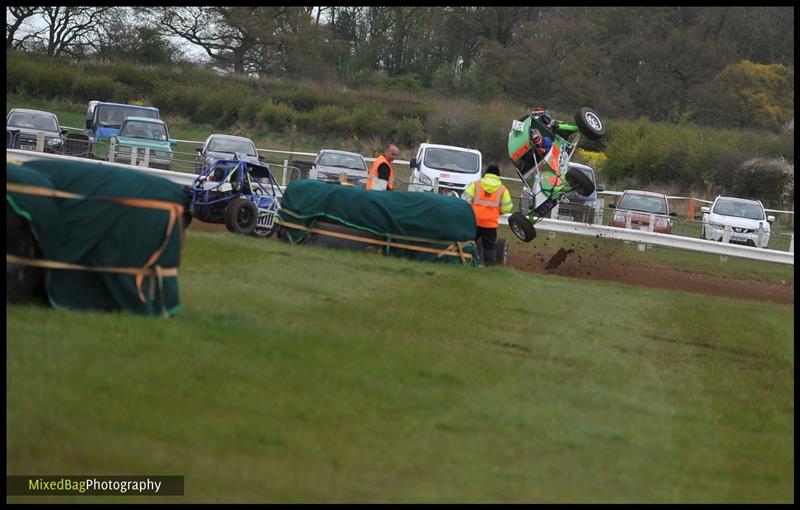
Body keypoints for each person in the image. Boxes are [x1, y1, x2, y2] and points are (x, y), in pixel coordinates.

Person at [463, 163, 513, 267]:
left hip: (473, 221)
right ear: (498, 175)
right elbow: (507, 207)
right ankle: (489, 266)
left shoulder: (476, 184)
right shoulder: (502, 189)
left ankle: (464, 261)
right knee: (489, 247)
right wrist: (497, 211)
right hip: (490, 224)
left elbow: (465, 200)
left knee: (468, 243)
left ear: (486, 173)